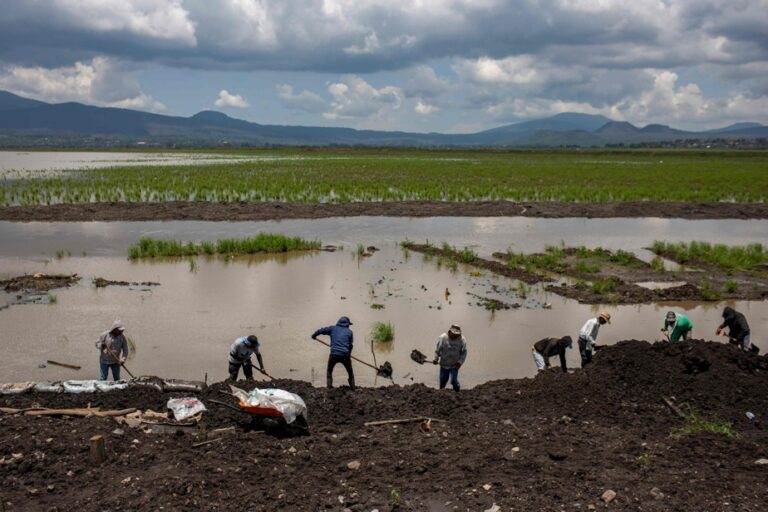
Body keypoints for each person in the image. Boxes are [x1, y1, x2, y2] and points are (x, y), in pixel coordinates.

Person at [312, 316, 355, 390]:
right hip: (345, 355)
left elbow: (321, 330)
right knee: (350, 373)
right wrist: (349, 355)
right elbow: (350, 346)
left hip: (334, 355)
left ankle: (329, 387)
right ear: (347, 324)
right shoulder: (349, 332)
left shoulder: (332, 328)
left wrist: (314, 335)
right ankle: (353, 388)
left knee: (329, 371)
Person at [432, 324, 467, 391]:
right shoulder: (443, 338)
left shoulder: (462, 339)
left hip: (455, 365)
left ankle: (457, 392)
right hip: (444, 364)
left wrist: (460, 362)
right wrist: (435, 359)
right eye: (453, 333)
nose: (455, 335)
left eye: (457, 334)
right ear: (449, 332)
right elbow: (437, 350)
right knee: (443, 380)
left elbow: (464, 352)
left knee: (454, 381)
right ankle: (441, 392)